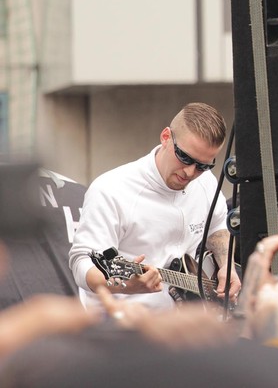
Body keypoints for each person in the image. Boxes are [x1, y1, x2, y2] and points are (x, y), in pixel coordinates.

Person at [69, 102, 241, 311]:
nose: (190, 172)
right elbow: (82, 264)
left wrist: (226, 265)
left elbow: (218, 226)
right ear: (166, 137)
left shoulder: (205, 182)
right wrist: (127, 285)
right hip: (123, 330)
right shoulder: (111, 189)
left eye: (203, 166)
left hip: (187, 328)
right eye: (184, 157)